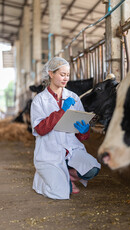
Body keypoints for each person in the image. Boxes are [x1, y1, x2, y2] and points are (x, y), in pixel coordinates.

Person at [30, 57, 101, 200]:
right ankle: (42, 180)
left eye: (68, 75)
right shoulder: (39, 100)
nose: (66, 78)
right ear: (51, 74)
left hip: (71, 149)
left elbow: (80, 133)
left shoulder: (73, 97)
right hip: (49, 153)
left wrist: (84, 130)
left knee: (93, 168)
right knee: (60, 193)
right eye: (62, 75)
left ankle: (66, 174)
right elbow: (40, 129)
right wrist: (62, 111)